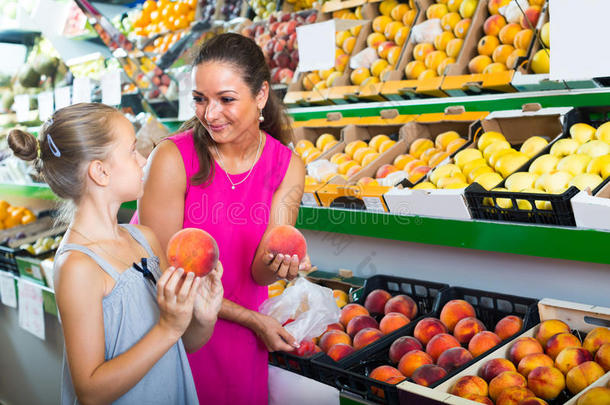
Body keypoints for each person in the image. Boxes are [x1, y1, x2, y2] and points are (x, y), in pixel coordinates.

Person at [8, 102, 224, 405]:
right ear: (100, 172)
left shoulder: (145, 239)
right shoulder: (79, 266)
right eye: (132, 151)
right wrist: (168, 327)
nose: (144, 160)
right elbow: (90, 391)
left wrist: (203, 317)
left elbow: (182, 343)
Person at [135, 33, 309, 404]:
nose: (209, 114)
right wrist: (252, 319)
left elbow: (259, 272)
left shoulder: (287, 166)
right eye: (200, 99)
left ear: (261, 95)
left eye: (226, 99)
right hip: (176, 331)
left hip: (242, 347)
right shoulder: (170, 159)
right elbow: (161, 270)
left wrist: (282, 265)